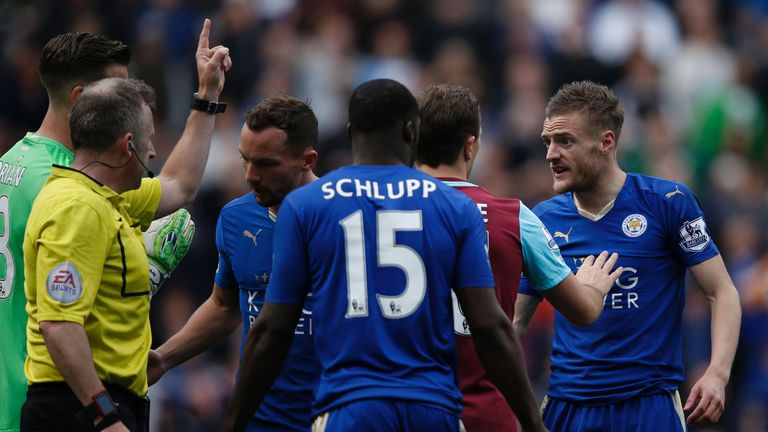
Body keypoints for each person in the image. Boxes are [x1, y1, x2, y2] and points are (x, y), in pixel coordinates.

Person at [220, 78, 549, 432]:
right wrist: (534, 423)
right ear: (412, 132)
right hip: (433, 409)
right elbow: (489, 325)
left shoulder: (306, 206)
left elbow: (271, 330)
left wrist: (233, 423)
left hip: (352, 408)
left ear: (349, 132)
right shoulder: (454, 207)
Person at [20, 18, 231, 432]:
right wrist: (106, 417)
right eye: (150, 139)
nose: (155, 152)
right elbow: (59, 325)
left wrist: (207, 95)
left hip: (103, 401)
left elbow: (179, 185)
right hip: (78, 409)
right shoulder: (76, 207)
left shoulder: (104, 196)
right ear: (128, 145)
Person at [513, 81, 742, 431]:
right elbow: (514, 323)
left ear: (606, 142)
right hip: (568, 407)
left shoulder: (668, 203)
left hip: (648, 406)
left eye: (565, 141)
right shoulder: (542, 220)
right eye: (548, 142)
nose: (550, 154)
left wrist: (717, 374)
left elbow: (722, 291)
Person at [415, 83, 622, 432]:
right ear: (471, 145)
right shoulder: (514, 216)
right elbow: (583, 311)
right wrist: (593, 288)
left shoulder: (372, 213)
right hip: (480, 412)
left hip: (396, 407)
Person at [147, 95, 320, 431]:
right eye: (245, 160)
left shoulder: (344, 219)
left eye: (266, 164)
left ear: (307, 160)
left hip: (334, 412)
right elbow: (225, 306)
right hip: (261, 415)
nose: (250, 175)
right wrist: (164, 358)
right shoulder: (236, 218)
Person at [0, 32, 131, 432]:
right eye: (121, 96)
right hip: (40, 401)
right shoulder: (65, 187)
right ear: (80, 99)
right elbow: (82, 305)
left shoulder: (10, 163)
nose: (132, 108)